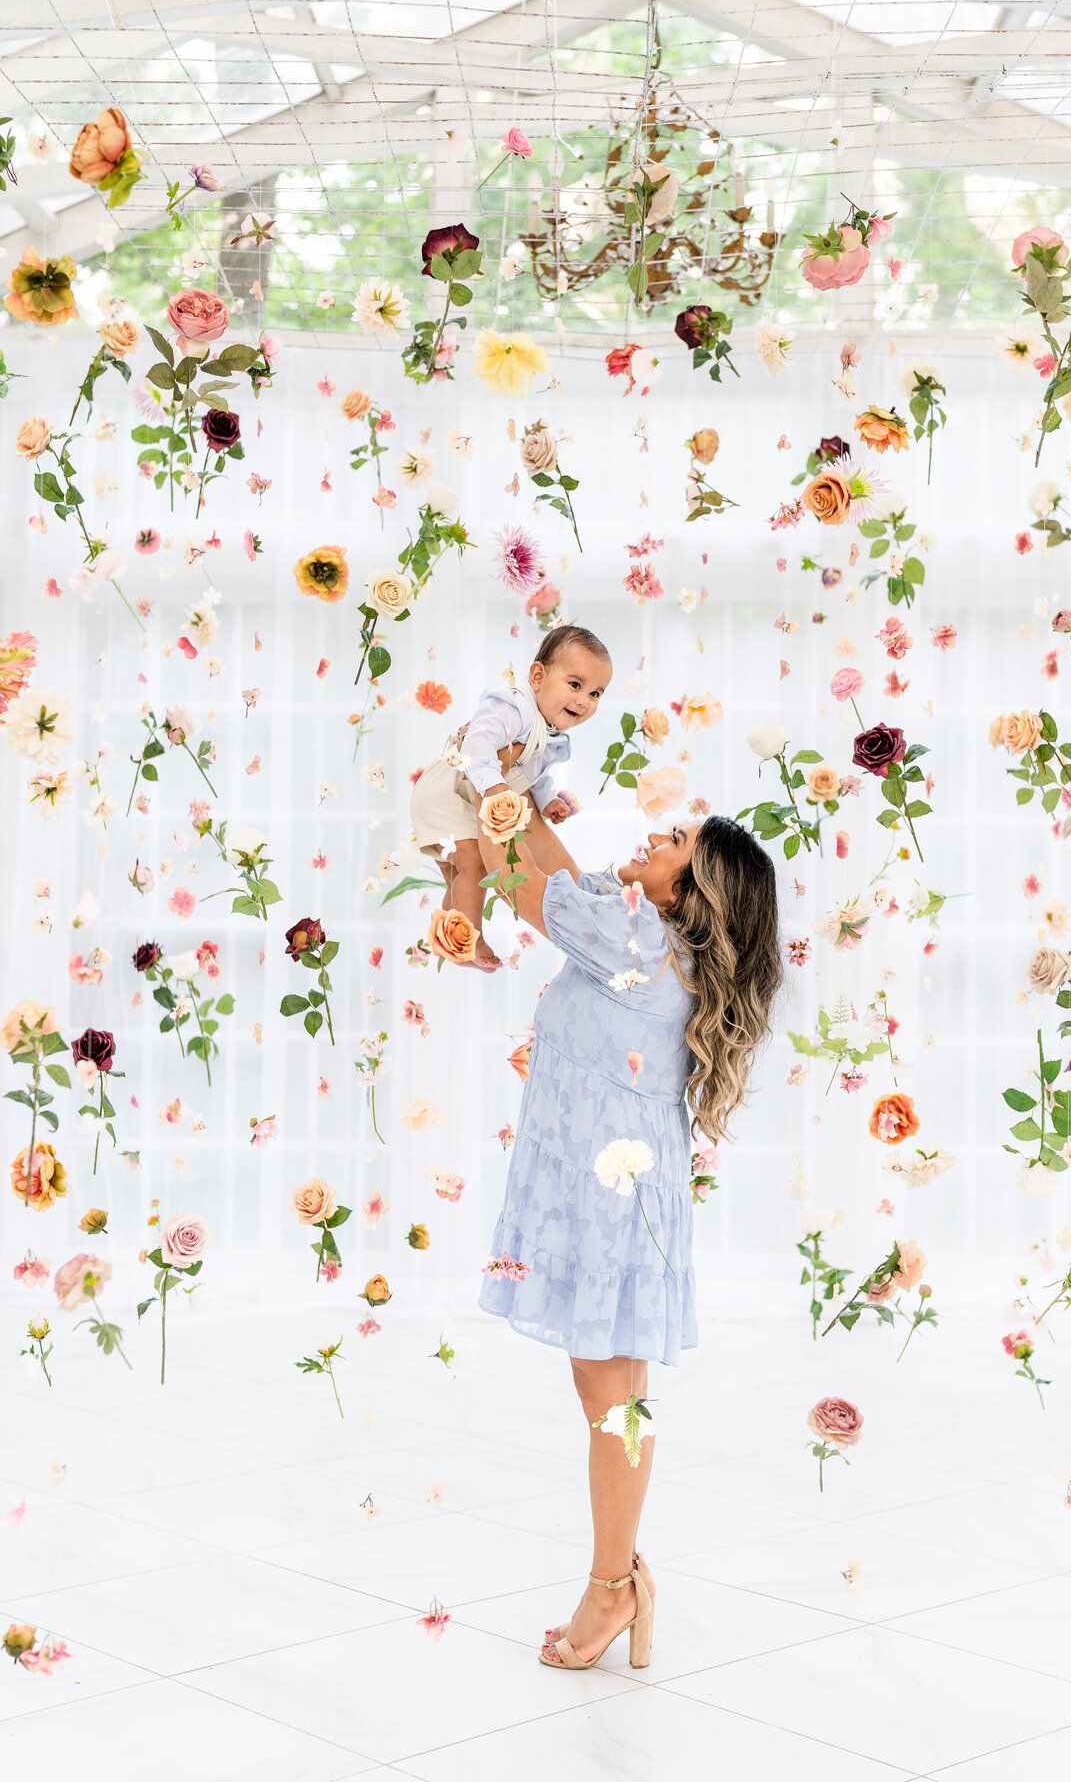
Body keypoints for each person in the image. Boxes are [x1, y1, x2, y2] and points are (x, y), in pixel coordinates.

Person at [477, 808, 782, 1670]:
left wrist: (484, 781)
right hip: (617, 1187)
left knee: (612, 1400)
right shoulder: (642, 935)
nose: (657, 835)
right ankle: (621, 1579)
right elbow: (552, 865)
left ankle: (614, 1588)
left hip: (612, 1193)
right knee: (615, 1397)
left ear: (691, 886)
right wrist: (522, 799)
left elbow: (516, 877)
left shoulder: (638, 942)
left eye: (676, 842)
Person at [409, 626, 611, 970]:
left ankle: (453, 941)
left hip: (463, 796)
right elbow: (476, 744)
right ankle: (472, 940)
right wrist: (493, 787)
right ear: (537, 676)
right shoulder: (513, 707)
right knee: (475, 866)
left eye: (595, 693)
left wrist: (546, 801)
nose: (583, 700)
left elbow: (534, 774)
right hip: (447, 792)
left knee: (460, 877)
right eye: (575, 685)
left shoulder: (549, 731)